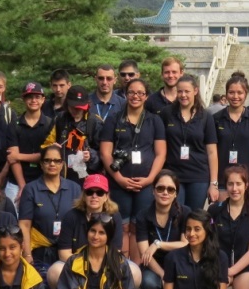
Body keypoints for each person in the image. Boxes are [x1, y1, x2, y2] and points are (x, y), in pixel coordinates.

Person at [99, 77, 166, 259]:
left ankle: (136, 269)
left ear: (146, 96)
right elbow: (105, 153)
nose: (135, 96)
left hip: (145, 182)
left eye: (140, 93)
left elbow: (160, 153)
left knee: (139, 226)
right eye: (131, 92)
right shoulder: (114, 119)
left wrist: (151, 179)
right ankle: (122, 267)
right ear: (125, 94)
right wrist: (119, 178)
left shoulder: (155, 121)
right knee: (122, 225)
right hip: (119, 182)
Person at [47, 174, 125, 289]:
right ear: (84, 195)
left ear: (106, 196)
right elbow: (64, 254)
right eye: (89, 192)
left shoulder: (115, 217)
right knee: (54, 272)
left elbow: (115, 251)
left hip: (106, 265)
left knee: (134, 272)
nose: (94, 196)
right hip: (76, 265)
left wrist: (98, 267)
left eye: (99, 193)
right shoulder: (71, 216)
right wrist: (85, 267)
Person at [18, 145, 82, 277]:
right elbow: (24, 225)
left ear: (62, 164)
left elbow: (81, 222)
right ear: (41, 164)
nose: (52, 164)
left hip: (69, 251)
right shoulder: (31, 189)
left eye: (56, 160)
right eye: (47, 160)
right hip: (40, 252)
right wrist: (27, 254)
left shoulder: (74, 188)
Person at [208, 165, 249, 289]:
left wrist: (231, 272)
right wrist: (221, 271)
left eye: (238, 184)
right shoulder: (214, 210)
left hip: (243, 266)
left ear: (246, 185)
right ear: (225, 186)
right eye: (230, 184)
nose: (234, 189)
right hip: (217, 265)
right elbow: (208, 243)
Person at [161, 74, 218, 211]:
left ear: (195, 91)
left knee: (194, 216)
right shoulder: (167, 114)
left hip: (198, 176)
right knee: (176, 214)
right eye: (180, 91)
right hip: (173, 174)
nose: (183, 95)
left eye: (187, 91)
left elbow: (212, 152)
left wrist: (213, 183)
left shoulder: (205, 117)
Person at [212, 71, 249, 202]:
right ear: (226, 94)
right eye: (231, 92)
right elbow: (212, 152)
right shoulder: (216, 119)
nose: (235, 96)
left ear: (246, 94)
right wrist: (213, 184)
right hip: (223, 183)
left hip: (246, 183)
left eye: (240, 93)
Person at [135, 171, 190, 289]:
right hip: (154, 265)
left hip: (179, 262)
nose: (165, 192)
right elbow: (145, 254)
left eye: (170, 190)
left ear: (175, 194)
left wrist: (158, 244)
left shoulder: (185, 212)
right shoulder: (142, 216)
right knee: (149, 284)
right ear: (153, 191)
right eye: (160, 188)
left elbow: (185, 244)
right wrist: (163, 275)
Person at [42, 85, 101, 185]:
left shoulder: (95, 122)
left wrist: (91, 155)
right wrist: (52, 148)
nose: (76, 110)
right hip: (61, 178)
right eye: (73, 107)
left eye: (79, 108)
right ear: (67, 104)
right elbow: (44, 146)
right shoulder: (59, 119)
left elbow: (104, 153)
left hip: (87, 179)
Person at [5, 82, 53, 204]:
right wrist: (23, 186)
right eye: (29, 97)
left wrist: (19, 156)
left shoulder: (50, 124)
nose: (33, 100)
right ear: (24, 99)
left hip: (43, 181)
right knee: (12, 219)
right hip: (16, 182)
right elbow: (12, 159)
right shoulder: (14, 124)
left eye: (37, 97)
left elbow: (47, 156)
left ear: (43, 100)